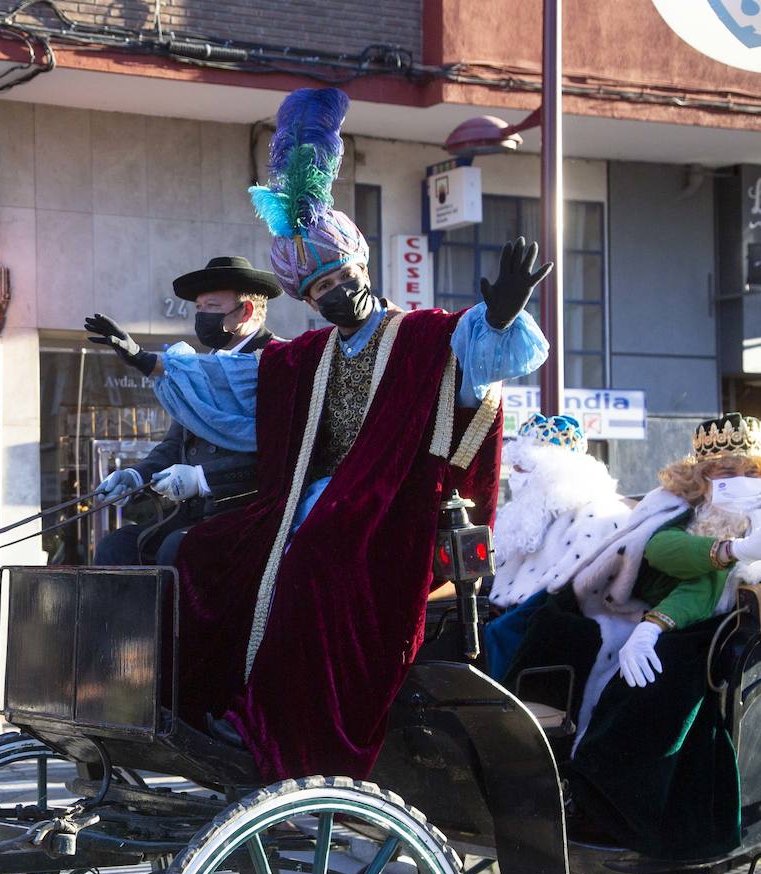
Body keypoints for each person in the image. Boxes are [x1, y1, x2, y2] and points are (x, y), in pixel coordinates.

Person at [114, 86, 550, 782]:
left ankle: (283, 729)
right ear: (305, 300)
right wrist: (147, 361)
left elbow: (487, 365)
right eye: (317, 292)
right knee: (202, 548)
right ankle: (202, 705)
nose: (333, 296)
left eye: (339, 280)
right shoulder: (306, 357)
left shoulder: (426, 336)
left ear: (362, 266)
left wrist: (500, 314)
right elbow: (232, 394)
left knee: (319, 554)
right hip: (315, 498)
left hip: (396, 510)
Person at [504, 413, 761, 857]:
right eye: (725, 471)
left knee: (659, 679)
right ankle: (519, 753)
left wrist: (655, 626)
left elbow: (702, 589)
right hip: (629, 604)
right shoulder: (674, 505)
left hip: (699, 627)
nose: (738, 480)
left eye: (749, 472)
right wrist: (725, 550)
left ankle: (605, 802)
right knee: (554, 622)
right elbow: (658, 550)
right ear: (702, 475)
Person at [86, 255, 285, 565]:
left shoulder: (280, 362)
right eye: (199, 309)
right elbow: (175, 444)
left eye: (212, 307)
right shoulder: (200, 369)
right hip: (193, 513)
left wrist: (201, 477)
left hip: (249, 511)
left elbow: (279, 452)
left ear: (245, 310)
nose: (201, 316)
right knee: (117, 548)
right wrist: (135, 476)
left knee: (177, 551)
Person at [484, 413, 628, 678]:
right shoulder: (529, 515)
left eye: (522, 469)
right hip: (523, 610)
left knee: (500, 632)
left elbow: (577, 586)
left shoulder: (597, 513)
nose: (514, 477)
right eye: (513, 468)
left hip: (565, 614)